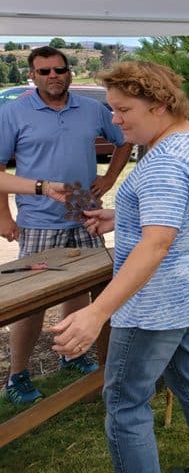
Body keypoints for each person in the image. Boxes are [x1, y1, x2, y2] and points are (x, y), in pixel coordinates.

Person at [49, 61, 189, 473]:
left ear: (159, 105)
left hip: (155, 305)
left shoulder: (165, 162)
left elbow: (156, 244)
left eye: (123, 110)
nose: (114, 120)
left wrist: (97, 312)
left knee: (125, 404)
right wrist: (121, 217)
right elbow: (179, 213)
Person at [0, 45, 132, 405]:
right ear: (32, 75)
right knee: (32, 301)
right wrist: (5, 217)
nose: (53, 76)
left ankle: (71, 354)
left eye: (59, 69)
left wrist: (108, 179)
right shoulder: (13, 112)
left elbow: (124, 142)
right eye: (44, 71)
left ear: (69, 71)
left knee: (82, 288)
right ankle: (18, 375)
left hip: (83, 209)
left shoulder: (91, 109)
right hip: (39, 217)